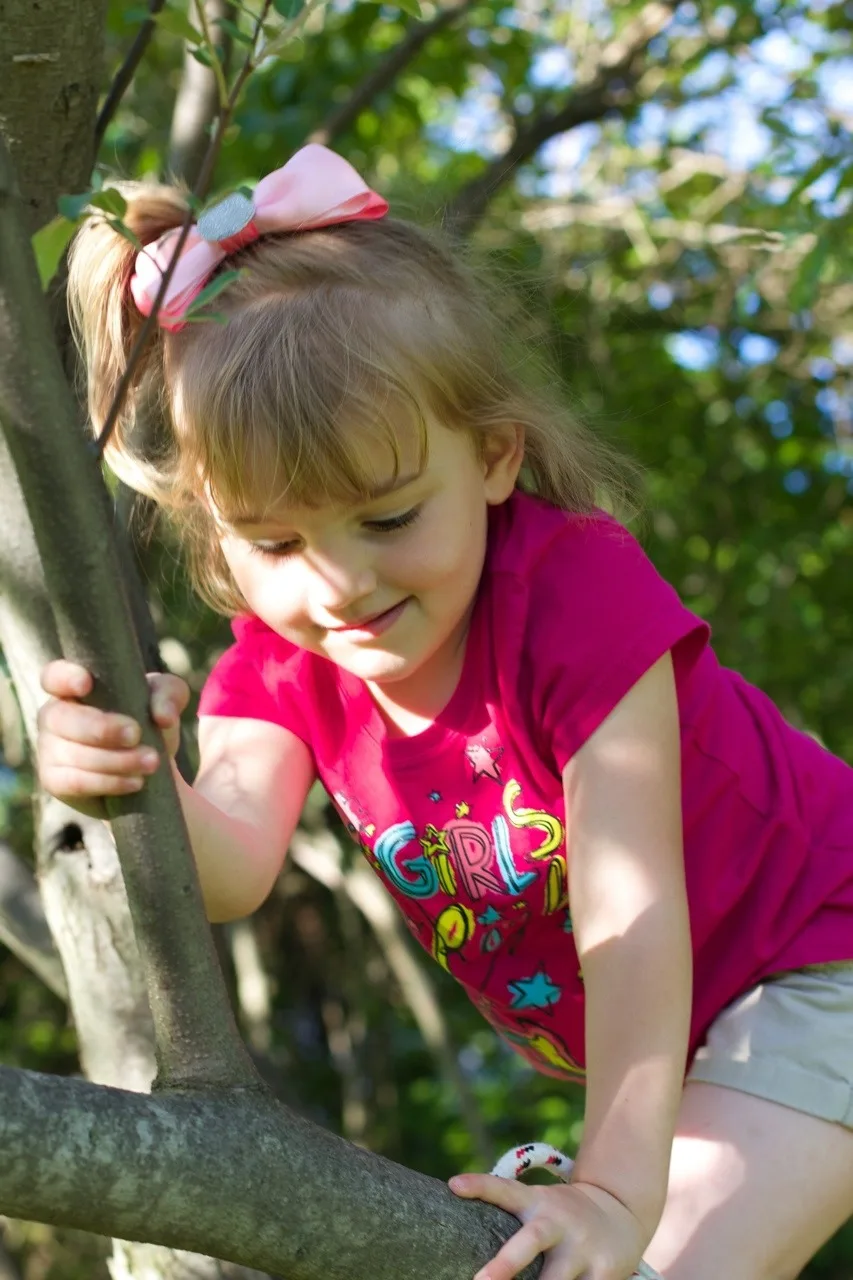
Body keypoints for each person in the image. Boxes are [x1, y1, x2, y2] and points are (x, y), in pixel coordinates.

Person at [37, 144, 853, 1280]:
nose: (338, 584)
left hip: (819, 955)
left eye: (386, 517)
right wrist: (133, 772)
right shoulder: (282, 659)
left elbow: (634, 907)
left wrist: (613, 1187)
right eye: (275, 540)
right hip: (687, 1033)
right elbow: (228, 867)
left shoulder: (574, 593)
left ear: (493, 456)